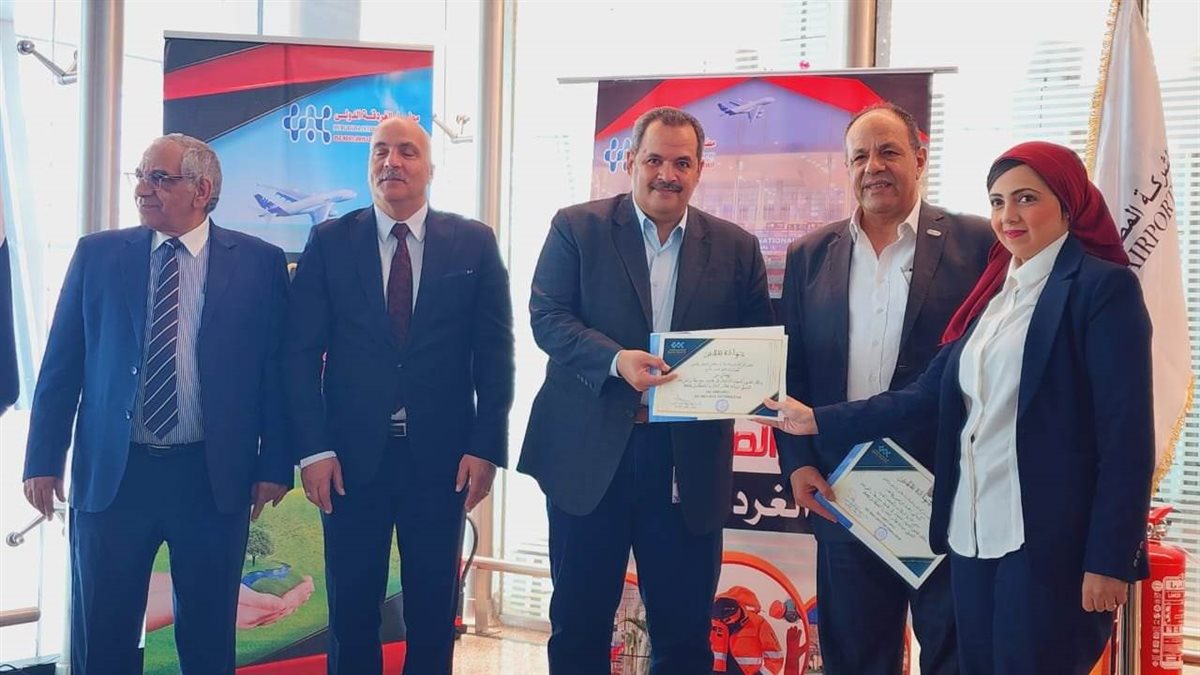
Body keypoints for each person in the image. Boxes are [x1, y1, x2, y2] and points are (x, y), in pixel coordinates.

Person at [764, 141, 1153, 675]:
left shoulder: (1101, 290)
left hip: (1046, 547)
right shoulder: (994, 295)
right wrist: (816, 420)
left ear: (1068, 205)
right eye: (997, 201)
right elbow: (926, 395)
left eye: (1026, 198)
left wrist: (1110, 560)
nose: (1008, 215)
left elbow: (1127, 442)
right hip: (970, 537)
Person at [22, 134, 293, 674]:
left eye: (160, 179)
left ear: (202, 190)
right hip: (115, 475)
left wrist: (274, 464)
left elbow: (276, 371)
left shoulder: (259, 263)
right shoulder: (98, 255)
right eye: (141, 176)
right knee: (102, 633)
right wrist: (43, 460)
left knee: (208, 637)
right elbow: (62, 364)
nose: (143, 189)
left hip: (211, 476)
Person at [519, 106, 774, 675]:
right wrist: (616, 361)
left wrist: (757, 381)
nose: (667, 174)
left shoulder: (736, 247)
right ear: (631, 161)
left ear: (700, 169)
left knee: (683, 636)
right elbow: (548, 318)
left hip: (686, 462)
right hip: (589, 457)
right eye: (655, 160)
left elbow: (756, 343)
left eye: (682, 163)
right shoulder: (577, 228)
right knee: (579, 625)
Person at [284, 116, 514, 675]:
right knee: (351, 610)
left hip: (442, 461)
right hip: (347, 461)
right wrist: (313, 450)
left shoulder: (473, 242)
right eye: (380, 151)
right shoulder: (329, 242)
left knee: (433, 610)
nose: (392, 162)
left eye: (407, 151)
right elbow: (297, 353)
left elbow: (495, 354)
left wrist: (485, 447)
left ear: (430, 168)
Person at [774, 102, 993, 675]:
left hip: (944, 491)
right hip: (844, 490)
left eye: (889, 151)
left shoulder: (977, 242)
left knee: (954, 654)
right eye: (860, 156)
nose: (874, 166)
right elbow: (791, 372)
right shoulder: (809, 255)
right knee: (855, 656)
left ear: (919, 159)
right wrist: (798, 462)